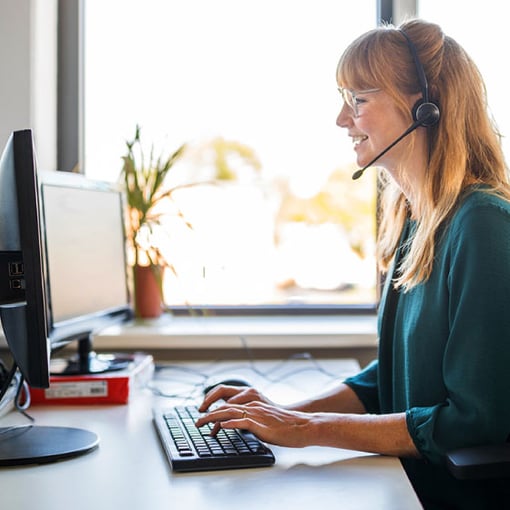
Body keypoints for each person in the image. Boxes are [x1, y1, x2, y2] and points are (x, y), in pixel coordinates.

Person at [195, 19, 510, 509]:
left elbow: (475, 418)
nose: (342, 119)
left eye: (358, 100)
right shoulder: (416, 218)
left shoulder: (483, 225)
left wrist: (306, 428)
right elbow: (395, 375)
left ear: (424, 109)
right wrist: (280, 412)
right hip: (404, 483)